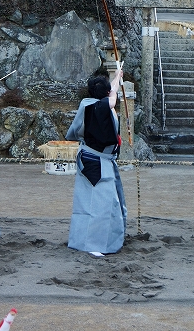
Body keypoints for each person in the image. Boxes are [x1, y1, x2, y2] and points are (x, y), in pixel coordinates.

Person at [66, 69, 127, 257]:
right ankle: (94, 244)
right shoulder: (95, 107)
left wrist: (117, 77)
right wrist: (115, 85)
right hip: (95, 161)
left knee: (94, 203)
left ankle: (84, 240)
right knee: (99, 205)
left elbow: (110, 97)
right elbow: (111, 100)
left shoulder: (92, 104)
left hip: (95, 158)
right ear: (107, 93)